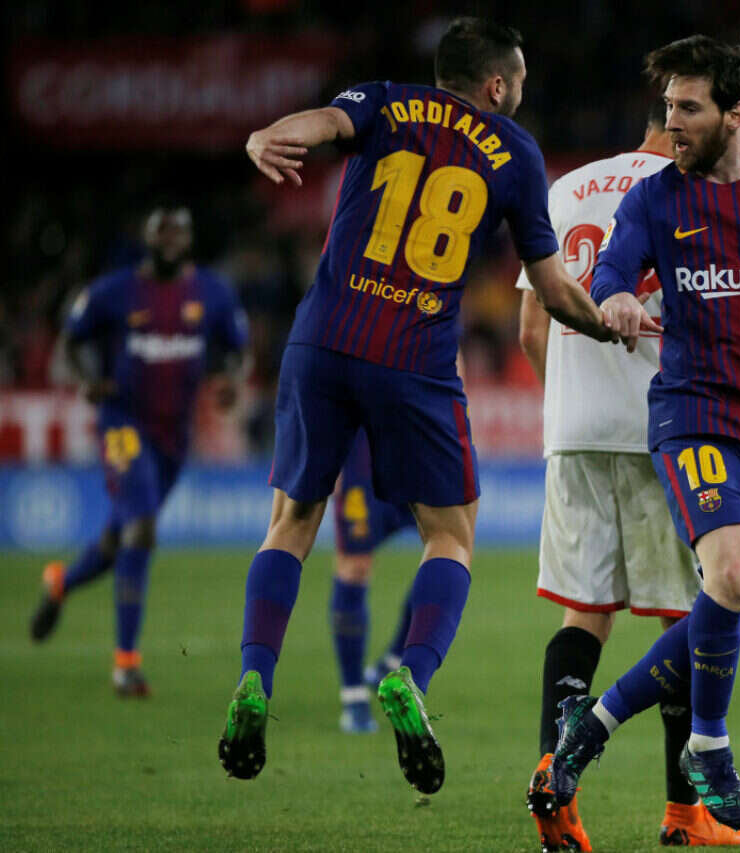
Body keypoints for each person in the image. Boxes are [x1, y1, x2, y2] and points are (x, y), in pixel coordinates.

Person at [217, 17, 641, 796]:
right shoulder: (513, 151)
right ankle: (410, 674)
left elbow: (323, 123)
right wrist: (611, 327)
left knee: (292, 520)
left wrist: (268, 135)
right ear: (496, 85)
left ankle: (254, 676)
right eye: (519, 81)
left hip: (323, 337)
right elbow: (553, 291)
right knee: (450, 533)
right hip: (412, 355)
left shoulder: (385, 100)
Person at [549, 35, 740, 833]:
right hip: (692, 410)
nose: (672, 122)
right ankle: (708, 745)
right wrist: (614, 295)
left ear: (734, 114)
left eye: (689, 107)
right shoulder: (655, 199)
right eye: (669, 105)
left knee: (738, 613)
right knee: (735, 569)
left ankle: (593, 724)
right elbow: (614, 267)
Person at [518, 103, 740, 850]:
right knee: (689, 617)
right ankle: (686, 815)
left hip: (574, 430)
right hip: (665, 426)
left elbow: (531, 327)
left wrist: (572, 405)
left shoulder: (566, 188)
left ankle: (555, 782)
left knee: (583, 613)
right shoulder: (690, 190)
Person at [29, 205, 248, 697]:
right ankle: (126, 664)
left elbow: (237, 349)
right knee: (142, 528)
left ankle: (60, 584)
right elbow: (72, 341)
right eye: (161, 231)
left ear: (189, 240)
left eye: (178, 232)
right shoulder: (113, 291)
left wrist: (230, 380)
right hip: (123, 423)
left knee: (118, 540)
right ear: (146, 238)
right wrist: (89, 379)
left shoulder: (212, 292)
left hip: (175, 435)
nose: (170, 240)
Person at [327, 427, 417, 734]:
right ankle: (354, 695)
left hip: (418, 440)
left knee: (448, 551)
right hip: (361, 451)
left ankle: (393, 659)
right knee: (355, 566)